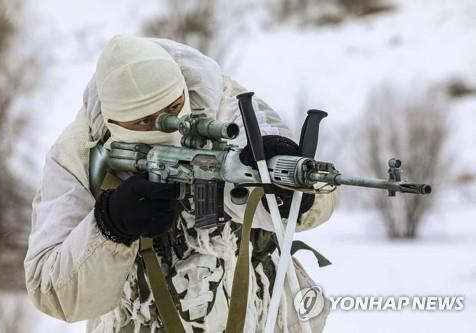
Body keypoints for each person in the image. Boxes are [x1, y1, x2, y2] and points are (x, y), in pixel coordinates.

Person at [24, 35, 337, 333]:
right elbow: (53, 292)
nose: (165, 124)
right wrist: (110, 226)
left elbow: (316, 198)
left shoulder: (230, 110)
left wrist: (291, 194)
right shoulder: (77, 152)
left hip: (262, 315)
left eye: (173, 109)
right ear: (112, 121)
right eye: (144, 122)